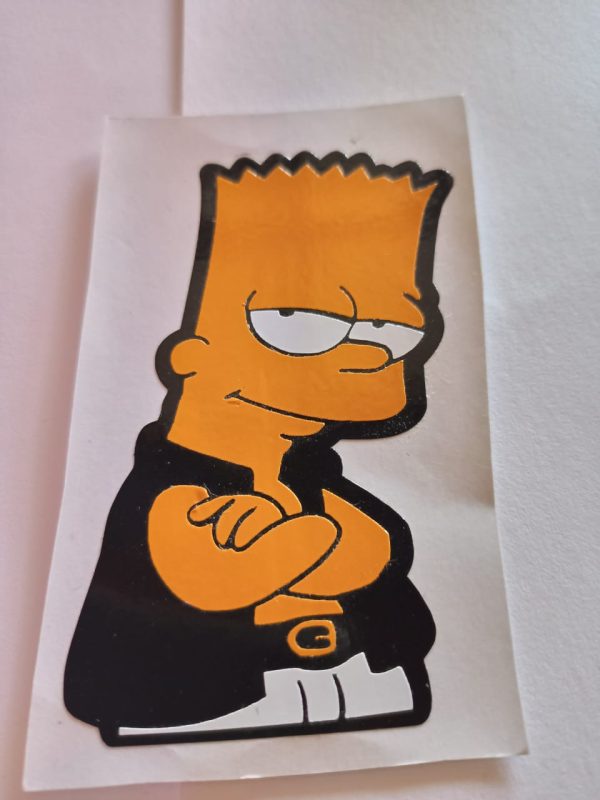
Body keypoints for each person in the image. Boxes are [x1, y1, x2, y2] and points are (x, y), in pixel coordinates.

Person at [64, 152, 452, 745]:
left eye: (389, 333)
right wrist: (312, 537)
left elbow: (372, 554)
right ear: (189, 356)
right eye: (293, 320)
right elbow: (212, 580)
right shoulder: (172, 483)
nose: (363, 357)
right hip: (210, 708)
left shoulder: (307, 475)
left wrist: (302, 536)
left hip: (363, 689)